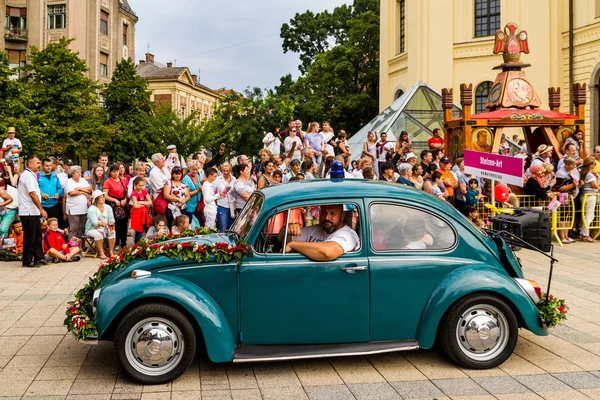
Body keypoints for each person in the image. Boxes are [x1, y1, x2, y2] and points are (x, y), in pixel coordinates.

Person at [278, 204, 359, 261]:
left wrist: (293, 245)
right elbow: (282, 238)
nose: (327, 217)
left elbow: (327, 253)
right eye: (324, 212)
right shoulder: (316, 229)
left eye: (332, 213)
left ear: (342, 216)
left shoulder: (348, 235)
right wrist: (287, 228)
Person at [18, 155, 47, 268]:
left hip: (33, 211)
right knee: (31, 236)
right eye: (37, 163)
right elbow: (32, 193)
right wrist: (41, 208)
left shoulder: (31, 175)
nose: (39, 165)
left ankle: (38, 257)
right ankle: (28, 260)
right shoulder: (28, 176)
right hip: (28, 211)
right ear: (30, 164)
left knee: (37, 235)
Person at [103, 164, 129, 250]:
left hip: (123, 203)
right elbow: (105, 195)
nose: (116, 173)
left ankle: (124, 242)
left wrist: (125, 199)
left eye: (117, 171)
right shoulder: (108, 182)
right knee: (116, 224)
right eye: (113, 172)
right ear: (110, 172)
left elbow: (126, 192)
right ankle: (116, 243)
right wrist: (114, 200)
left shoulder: (123, 180)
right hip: (113, 204)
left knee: (124, 224)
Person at [85, 190, 116, 259]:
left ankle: (111, 252)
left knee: (112, 232)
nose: (103, 198)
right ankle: (101, 252)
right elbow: (95, 223)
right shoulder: (91, 209)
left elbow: (112, 219)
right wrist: (106, 225)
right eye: (101, 197)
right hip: (92, 228)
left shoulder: (108, 207)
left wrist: (111, 223)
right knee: (98, 234)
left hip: (105, 227)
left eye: (103, 197)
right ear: (96, 200)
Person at [65, 166, 91, 241]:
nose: (80, 174)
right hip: (74, 208)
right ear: (72, 173)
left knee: (81, 228)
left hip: (84, 209)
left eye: (80, 172)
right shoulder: (69, 181)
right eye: (77, 172)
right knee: (74, 228)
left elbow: (90, 189)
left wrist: (80, 188)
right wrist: (83, 192)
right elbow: (71, 192)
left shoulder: (82, 180)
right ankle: (71, 247)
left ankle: (79, 247)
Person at [579, 156, 600, 243]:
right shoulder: (589, 174)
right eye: (594, 164)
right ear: (590, 165)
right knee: (590, 216)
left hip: (584, 195)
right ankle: (585, 235)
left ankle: (582, 233)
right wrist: (598, 178)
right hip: (590, 196)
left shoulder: (583, 173)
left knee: (587, 215)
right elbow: (596, 186)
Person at [38, 158, 64, 223]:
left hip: (54, 205)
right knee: (43, 226)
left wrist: (58, 193)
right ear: (42, 166)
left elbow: (60, 188)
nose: (49, 167)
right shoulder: (37, 176)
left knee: (54, 225)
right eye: (47, 166)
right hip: (42, 205)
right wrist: (42, 194)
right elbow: (34, 189)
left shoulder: (55, 176)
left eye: (50, 165)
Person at [130, 176, 152, 244]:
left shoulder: (144, 191)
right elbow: (135, 206)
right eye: (139, 185)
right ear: (135, 185)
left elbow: (150, 202)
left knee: (147, 227)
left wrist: (140, 202)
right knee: (138, 230)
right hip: (137, 214)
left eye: (142, 185)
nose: (141, 187)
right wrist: (145, 204)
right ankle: (136, 244)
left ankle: (148, 242)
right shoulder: (134, 193)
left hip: (144, 213)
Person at [214, 162, 236, 232]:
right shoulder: (217, 179)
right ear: (221, 170)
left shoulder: (234, 179)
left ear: (230, 170)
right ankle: (222, 242)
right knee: (223, 228)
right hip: (222, 205)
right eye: (224, 171)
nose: (226, 172)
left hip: (232, 206)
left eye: (227, 171)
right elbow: (212, 191)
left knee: (231, 228)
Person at [182, 160, 203, 224]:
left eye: (197, 170)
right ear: (189, 168)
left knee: (200, 222)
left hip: (197, 203)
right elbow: (186, 194)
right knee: (189, 222)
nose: (195, 171)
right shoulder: (186, 179)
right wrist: (197, 191)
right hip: (189, 204)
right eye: (193, 169)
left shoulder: (198, 176)